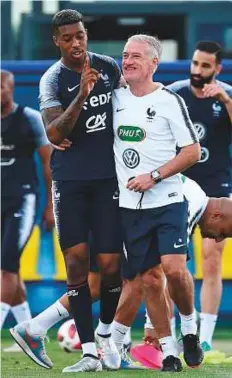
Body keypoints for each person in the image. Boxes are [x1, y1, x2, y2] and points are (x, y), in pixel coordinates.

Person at [11, 172, 232, 367]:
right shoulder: (187, 206)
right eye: (224, 232)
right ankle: (112, 348)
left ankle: (35, 327)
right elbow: (164, 273)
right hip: (116, 210)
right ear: (217, 215)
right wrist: (153, 325)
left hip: (105, 205)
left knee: (98, 285)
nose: (219, 238)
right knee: (135, 281)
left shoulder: (193, 192)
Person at [10, 9, 126, 373]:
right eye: (68, 38)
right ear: (56, 41)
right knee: (76, 266)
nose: (76, 43)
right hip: (70, 183)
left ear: (85, 34)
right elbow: (55, 134)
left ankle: (106, 335)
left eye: (80, 35)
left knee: (111, 267)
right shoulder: (51, 79)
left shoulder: (109, 66)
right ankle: (89, 352)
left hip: (110, 180)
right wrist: (82, 96)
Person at [167, 41, 232, 352]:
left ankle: (204, 338)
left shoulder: (227, 94)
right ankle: (176, 332)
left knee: (212, 258)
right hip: (179, 184)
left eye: (206, 66)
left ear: (217, 69)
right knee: (173, 261)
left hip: (216, 187)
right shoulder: (174, 92)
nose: (198, 71)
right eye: (195, 64)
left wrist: (226, 100)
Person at [1, 70, 54, 350]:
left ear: (11, 89)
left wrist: (51, 207)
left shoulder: (30, 119)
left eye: (1, 87)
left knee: (7, 264)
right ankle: (29, 331)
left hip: (22, 200)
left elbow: (48, 163)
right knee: (9, 269)